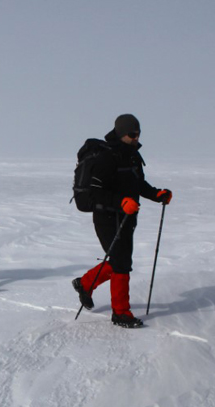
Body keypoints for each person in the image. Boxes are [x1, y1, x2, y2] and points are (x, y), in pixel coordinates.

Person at [70, 114, 172, 328]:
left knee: (121, 261)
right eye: (132, 134)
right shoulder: (107, 158)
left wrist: (157, 194)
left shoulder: (133, 156)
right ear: (120, 133)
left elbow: (139, 185)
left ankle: (85, 283)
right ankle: (120, 313)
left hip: (128, 217)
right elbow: (96, 192)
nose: (136, 138)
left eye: (138, 134)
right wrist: (121, 202)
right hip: (107, 217)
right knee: (121, 264)